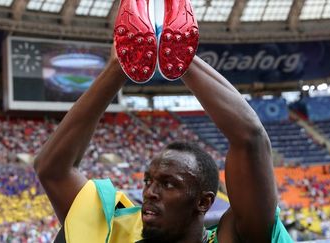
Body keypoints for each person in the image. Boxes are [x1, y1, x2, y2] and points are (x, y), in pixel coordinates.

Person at [34, 40, 293, 242]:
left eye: (169, 184)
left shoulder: (231, 238)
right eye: (149, 181)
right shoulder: (117, 229)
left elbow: (250, 139)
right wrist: (117, 68)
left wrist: (180, 58)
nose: (150, 193)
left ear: (203, 202)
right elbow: (53, 170)